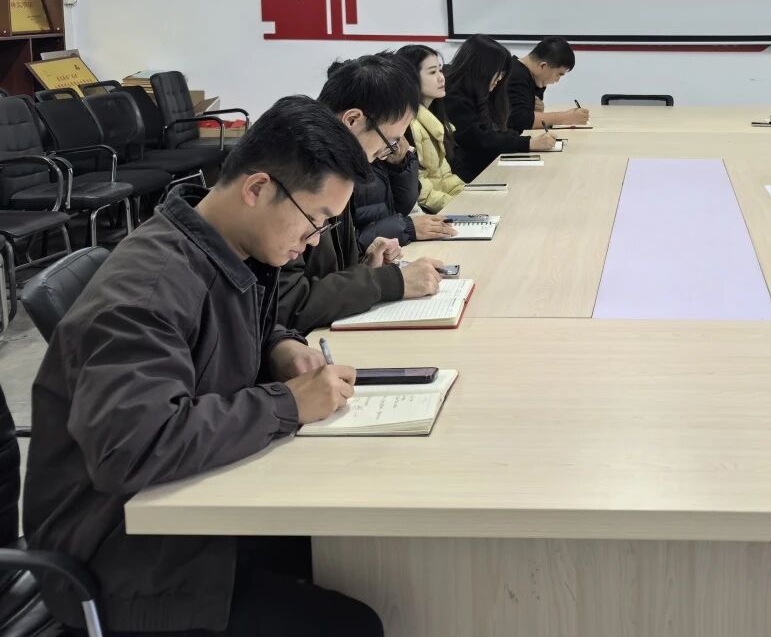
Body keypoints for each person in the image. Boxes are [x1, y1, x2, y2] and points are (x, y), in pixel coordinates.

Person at [23, 96, 383, 636]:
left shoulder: (221, 246)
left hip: (184, 512)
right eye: (315, 221)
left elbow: (214, 336)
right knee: (353, 622)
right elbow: (133, 448)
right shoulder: (147, 289)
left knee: (358, 549)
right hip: (122, 557)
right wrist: (287, 404)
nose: (312, 244)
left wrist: (279, 346)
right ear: (257, 188)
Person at [277, 53, 451, 334]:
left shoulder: (337, 167)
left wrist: (366, 267)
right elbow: (287, 304)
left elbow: (324, 274)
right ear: (352, 120)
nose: (386, 154)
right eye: (389, 142)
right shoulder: (295, 175)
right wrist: (389, 282)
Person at [447, 34, 559, 182]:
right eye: (497, 72)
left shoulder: (482, 92)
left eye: (502, 73)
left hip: (487, 166)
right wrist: (528, 143)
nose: (500, 78)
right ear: (481, 68)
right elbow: (482, 139)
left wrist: (524, 142)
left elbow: (498, 129)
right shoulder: (454, 97)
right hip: (470, 175)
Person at [397, 43, 466, 213]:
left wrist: (468, 196)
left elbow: (445, 177)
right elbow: (422, 193)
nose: (441, 77)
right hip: (431, 214)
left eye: (440, 70)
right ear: (411, 78)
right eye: (433, 72)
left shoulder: (432, 118)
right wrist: (462, 207)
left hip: (443, 206)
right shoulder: (409, 126)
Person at [507, 38, 590, 131]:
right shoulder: (515, 75)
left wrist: (536, 113)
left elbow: (529, 116)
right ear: (543, 66)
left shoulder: (535, 78)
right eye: (559, 74)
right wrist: (566, 117)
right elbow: (519, 120)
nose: (557, 80)